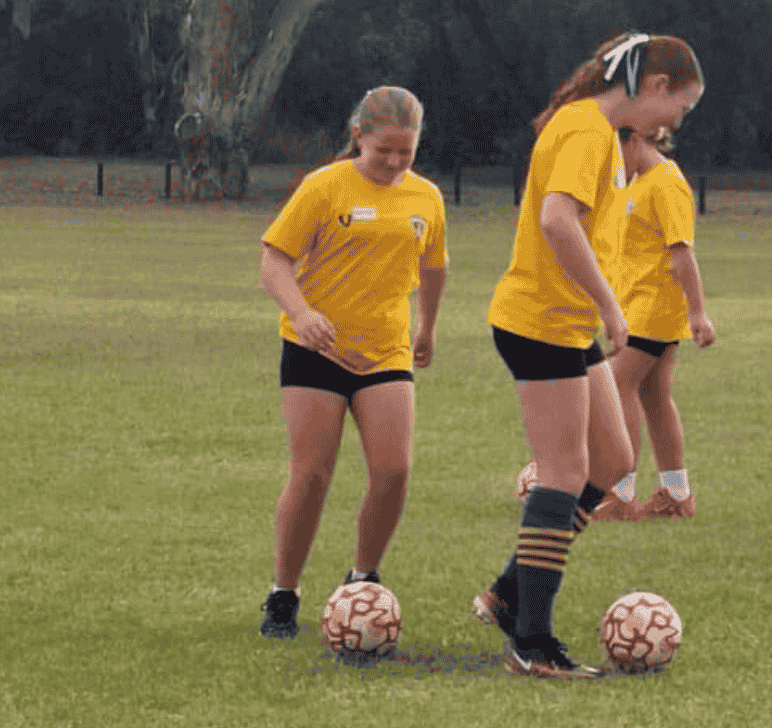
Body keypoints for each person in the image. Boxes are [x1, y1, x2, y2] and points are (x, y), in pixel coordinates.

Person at [474, 33, 704, 679]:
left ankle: (508, 593)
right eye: (678, 108)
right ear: (653, 86)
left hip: (566, 325)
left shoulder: (597, 131)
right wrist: (610, 306)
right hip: (542, 320)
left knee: (612, 459)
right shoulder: (587, 130)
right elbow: (555, 220)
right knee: (564, 472)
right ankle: (533, 642)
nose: (673, 125)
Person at [256, 86, 447, 638]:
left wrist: (428, 327)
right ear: (358, 136)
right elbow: (274, 261)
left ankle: (362, 581)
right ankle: (283, 592)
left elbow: (434, 266)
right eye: (383, 150)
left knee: (394, 471)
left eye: (404, 154)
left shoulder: (427, 199)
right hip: (316, 347)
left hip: (386, 349)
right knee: (312, 475)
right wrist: (303, 313)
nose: (392, 163)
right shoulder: (323, 187)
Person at [598, 126, 716, 519]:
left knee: (617, 387)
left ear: (635, 139)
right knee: (653, 397)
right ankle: (676, 495)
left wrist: (698, 312)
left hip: (653, 308)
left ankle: (620, 494)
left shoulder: (666, 182)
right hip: (634, 306)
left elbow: (682, 252)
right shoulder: (635, 184)